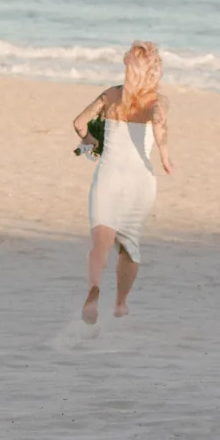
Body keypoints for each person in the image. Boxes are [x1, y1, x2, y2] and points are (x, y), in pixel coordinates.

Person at [71, 39, 175, 322]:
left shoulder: (110, 95)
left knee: (101, 241)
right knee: (129, 244)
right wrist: (164, 155)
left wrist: (91, 141)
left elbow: (80, 123)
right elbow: (158, 123)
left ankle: (93, 292)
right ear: (154, 70)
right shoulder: (158, 101)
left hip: (108, 176)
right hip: (140, 180)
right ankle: (120, 303)